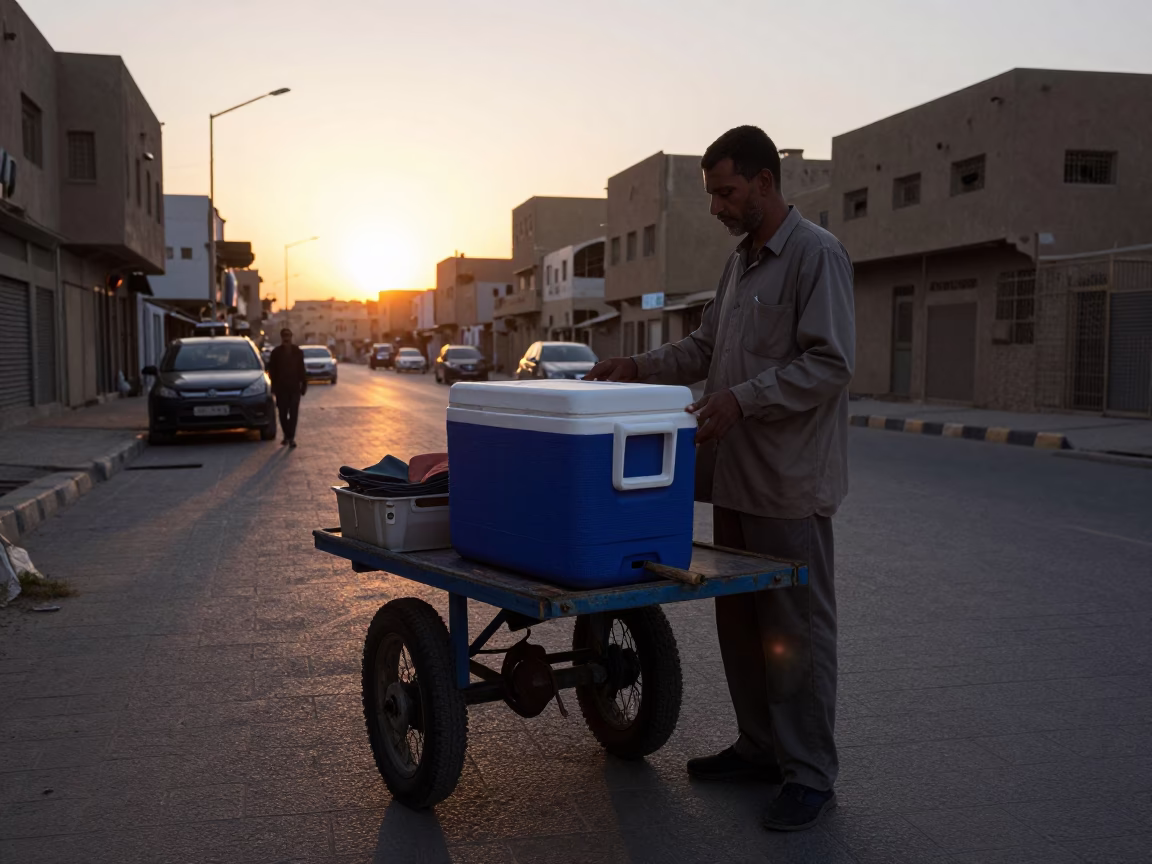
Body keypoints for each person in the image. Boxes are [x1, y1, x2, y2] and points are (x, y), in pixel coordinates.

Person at [586, 125, 855, 832]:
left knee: (795, 632)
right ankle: (759, 748)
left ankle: (809, 775)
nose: (716, 206)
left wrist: (743, 399)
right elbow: (706, 348)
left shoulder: (816, 257)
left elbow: (830, 366)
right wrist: (635, 367)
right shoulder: (741, 265)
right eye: (711, 192)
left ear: (766, 182)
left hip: (788, 486)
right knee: (740, 622)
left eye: (725, 191)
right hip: (734, 480)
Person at [267, 328, 307, 448]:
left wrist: (304, 384)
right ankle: (286, 435)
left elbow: (302, 369)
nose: (286, 338)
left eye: (288, 336)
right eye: (284, 336)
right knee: (283, 414)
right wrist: (273, 387)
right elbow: (271, 371)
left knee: (293, 414)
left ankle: (291, 438)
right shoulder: (276, 353)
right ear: (281, 337)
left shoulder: (297, 352)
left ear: (291, 337)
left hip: (294, 388)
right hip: (281, 389)